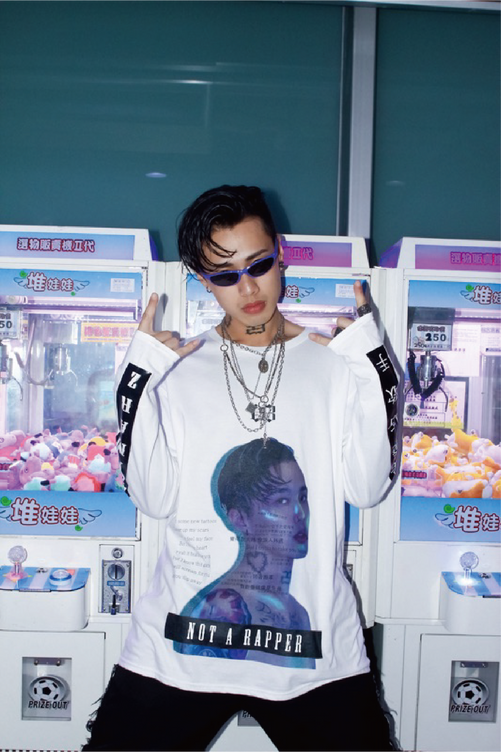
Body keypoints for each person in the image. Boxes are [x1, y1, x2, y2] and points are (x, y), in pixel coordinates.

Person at [82, 185, 399, 751]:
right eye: (225, 275)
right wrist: (139, 377)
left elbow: (368, 486)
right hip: (179, 649)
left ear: (281, 253)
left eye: (259, 264)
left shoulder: (334, 364)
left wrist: (371, 363)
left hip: (315, 653)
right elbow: (152, 498)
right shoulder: (177, 368)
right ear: (202, 280)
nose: (248, 288)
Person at [175, 438, 314, 668]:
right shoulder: (223, 609)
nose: (300, 513)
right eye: (281, 500)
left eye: (302, 497)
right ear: (239, 519)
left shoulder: (298, 612)